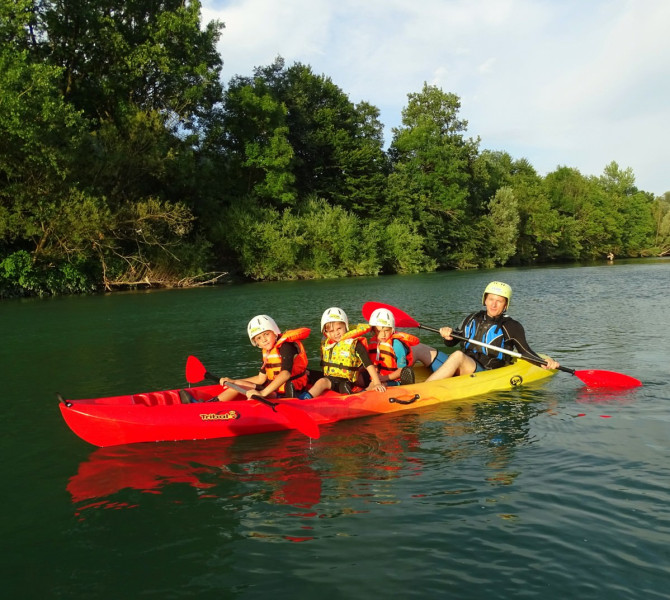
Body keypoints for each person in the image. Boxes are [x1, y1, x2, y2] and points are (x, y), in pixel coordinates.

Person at [425, 281, 560, 381]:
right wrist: (447, 336)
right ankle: (402, 380)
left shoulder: (511, 326)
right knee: (419, 348)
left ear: (506, 304)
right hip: (463, 365)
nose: (493, 305)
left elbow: (525, 352)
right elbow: (451, 343)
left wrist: (545, 363)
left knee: (457, 355)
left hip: (484, 371)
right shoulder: (472, 317)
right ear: (485, 300)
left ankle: (424, 389)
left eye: (499, 301)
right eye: (491, 299)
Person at [211, 315, 310, 401]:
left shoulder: (286, 346)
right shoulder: (268, 352)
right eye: (259, 338)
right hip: (275, 392)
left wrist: (262, 393)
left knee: (240, 388)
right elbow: (260, 379)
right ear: (256, 342)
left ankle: (210, 411)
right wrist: (234, 381)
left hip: (289, 394)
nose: (264, 340)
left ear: (274, 332)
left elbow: (285, 374)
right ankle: (211, 405)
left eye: (266, 334)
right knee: (236, 386)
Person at [299, 307, 386, 399]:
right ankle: (292, 392)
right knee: (305, 372)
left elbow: (368, 364)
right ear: (326, 332)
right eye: (331, 331)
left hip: (345, 381)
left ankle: (303, 399)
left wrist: (377, 382)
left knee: (322, 382)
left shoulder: (354, 344)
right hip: (330, 376)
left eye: (339, 328)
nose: (336, 333)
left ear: (346, 326)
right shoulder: (327, 344)